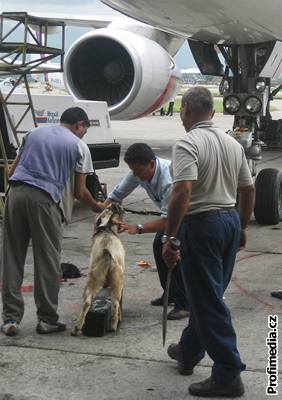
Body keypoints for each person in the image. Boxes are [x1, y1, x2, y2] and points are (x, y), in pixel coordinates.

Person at [162, 87, 255, 397]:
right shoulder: (233, 143)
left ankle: (228, 373)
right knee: (209, 295)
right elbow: (249, 190)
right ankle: (188, 351)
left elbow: (182, 191)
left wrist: (171, 237)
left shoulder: (188, 143)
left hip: (201, 225)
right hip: (229, 220)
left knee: (208, 301)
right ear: (213, 113)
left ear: (185, 110)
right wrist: (241, 227)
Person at [1, 107, 103, 336]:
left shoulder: (34, 133)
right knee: (47, 259)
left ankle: (10, 319)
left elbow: (12, 169)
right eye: (84, 130)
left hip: (15, 194)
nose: (83, 134)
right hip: (44, 199)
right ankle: (47, 319)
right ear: (79, 124)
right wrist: (99, 207)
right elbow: (80, 191)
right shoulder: (78, 146)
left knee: (12, 256)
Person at [102, 143, 189, 320]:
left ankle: (184, 304)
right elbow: (117, 194)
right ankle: (170, 293)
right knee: (159, 246)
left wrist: (138, 228)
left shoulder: (168, 180)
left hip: (187, 217)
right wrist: (101, 213)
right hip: (170, 216)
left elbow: (167, 220)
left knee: (172, 252)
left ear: (151, 164)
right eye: (132, 170)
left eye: (138, 171)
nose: (135, 175)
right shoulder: (138, 172)